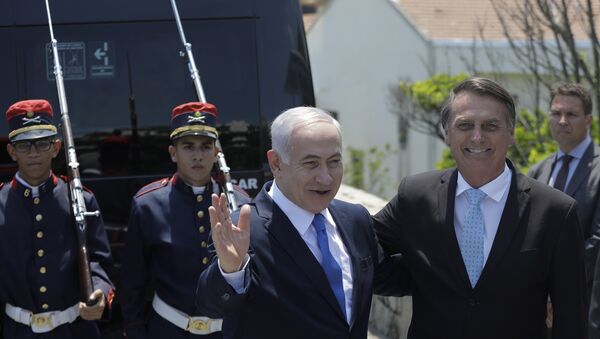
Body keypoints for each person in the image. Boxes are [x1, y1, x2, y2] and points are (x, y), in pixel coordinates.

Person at [373, 77, 587, 339]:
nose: (477, 136)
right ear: (447, 134)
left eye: (490, 126)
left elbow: (571, 321)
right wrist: (416, 275)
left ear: (511, 134)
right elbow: (360, 249)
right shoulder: (415, 196)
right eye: (464, 125)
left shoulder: (556, 212)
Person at [196, 106, 408, 339]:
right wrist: (230, 272)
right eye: (311, 163)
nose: (326, 177)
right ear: (276, 163)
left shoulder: (355, 220)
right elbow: (211, 305)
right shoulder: (242, 230)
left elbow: (391, 278)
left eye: (334, 161)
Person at [121, 102, 250, 339]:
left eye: (205, 146)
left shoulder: (239, 203)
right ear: (173, 153)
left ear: (216, 152)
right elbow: (132, 285)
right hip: (168, 329)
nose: (198, 155)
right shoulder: (148, 205)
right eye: (188, 147)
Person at [0, 99, 114, 338]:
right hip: (16, 330)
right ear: (11, 151)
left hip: (74, 329)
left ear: (56, 147)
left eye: (42, 144)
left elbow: (98, 260)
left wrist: (101, 291)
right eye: (24, 146)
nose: (33, 153)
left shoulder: (80, 200)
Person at [528, 83, 600, 332]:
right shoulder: (538, 171)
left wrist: (557, 288)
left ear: (589, 120)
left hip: (586, 301)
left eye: (571, 114)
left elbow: (597, 242)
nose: (562, 121)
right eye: (556, 113)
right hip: (535, 305)